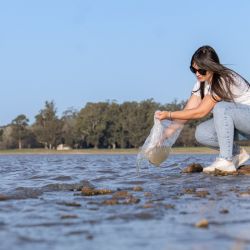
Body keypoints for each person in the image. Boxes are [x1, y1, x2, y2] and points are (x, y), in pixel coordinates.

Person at [155, 45, 250, 173]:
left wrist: (168, 114)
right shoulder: (200, 84)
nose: (198, 74)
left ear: (212, 67)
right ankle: (237, 154)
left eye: (202, 71)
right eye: (193, 70)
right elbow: (186, 114)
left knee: (221, 108)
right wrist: (162, 137)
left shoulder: (223, 79)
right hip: (241, 128)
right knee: (202, 133)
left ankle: (226, 160)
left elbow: (201, 112)